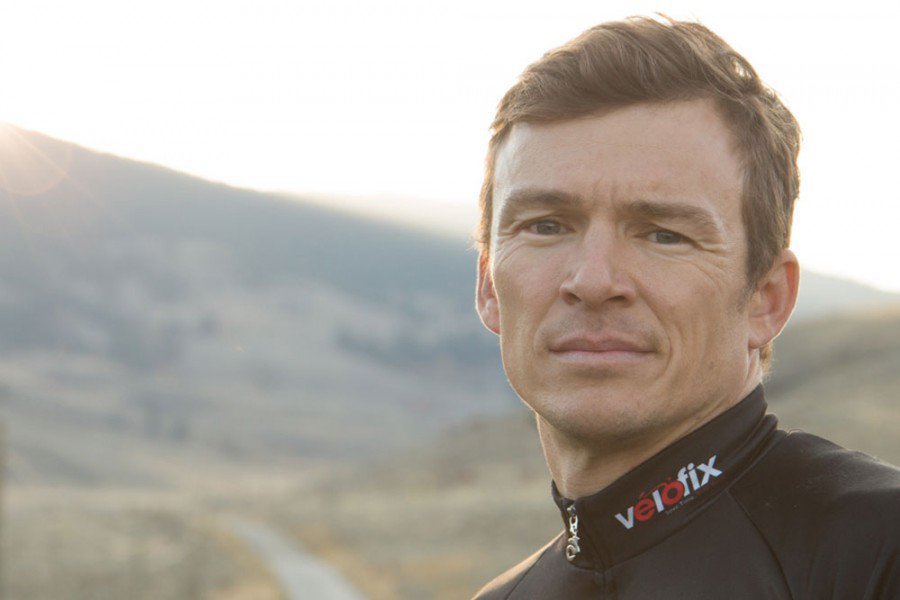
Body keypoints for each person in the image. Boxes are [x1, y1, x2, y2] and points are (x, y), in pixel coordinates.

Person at [471, 16, 899, 599]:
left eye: (663, 234)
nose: (593, 281)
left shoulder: (877, 555)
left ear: (766, 299)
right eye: (546, 226)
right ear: (489, 286)